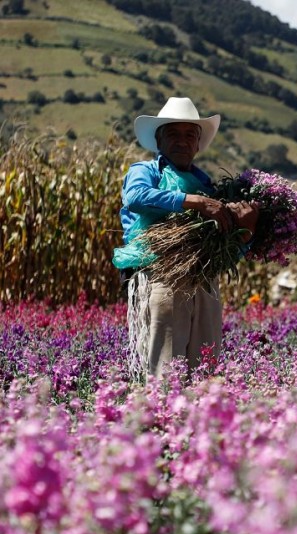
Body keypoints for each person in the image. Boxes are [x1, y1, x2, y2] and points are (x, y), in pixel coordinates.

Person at [112, 96, 257, 379]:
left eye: (189, 135)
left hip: (205, 283)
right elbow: (136, 197)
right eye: (173, 134)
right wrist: (196, 202)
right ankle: (160, 420)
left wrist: (246, 231)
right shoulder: (145, 171)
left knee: (205, 370)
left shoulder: (209, 187)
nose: (182, 141)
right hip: (162, 278)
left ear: (198, 143)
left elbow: (223, 253)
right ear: (159, 140)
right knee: (164, 369)